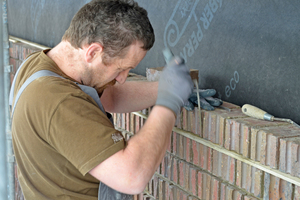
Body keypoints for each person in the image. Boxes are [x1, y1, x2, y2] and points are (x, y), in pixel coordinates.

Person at [10, 0, 194, 199]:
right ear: (93, 52)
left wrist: (165, 88)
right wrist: (169, 102)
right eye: (120, 69)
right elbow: (131, 177)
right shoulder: (60, 101)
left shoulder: (40, 66)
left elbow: (110, 97)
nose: (122, 79)